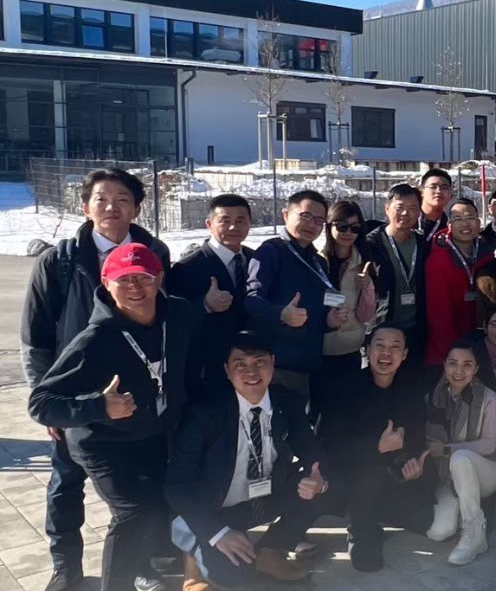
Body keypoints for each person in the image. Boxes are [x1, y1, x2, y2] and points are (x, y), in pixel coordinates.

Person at [20, 168, 172, 591]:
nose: (111, 208)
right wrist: (50, 399)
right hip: (77, 390)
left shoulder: (155, 252)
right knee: (66, 485)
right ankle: (65, 566)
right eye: (101, 199)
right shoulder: (61, 260)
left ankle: (140, 564)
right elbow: (36, 337)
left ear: (137, 208)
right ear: (85, 207)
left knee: (141, 489)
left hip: (138, 392)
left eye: (122, 200)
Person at [29, 244, 193, 591]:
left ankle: (143, 570)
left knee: (160, 505)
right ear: (106, 283)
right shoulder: (94, 341)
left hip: (153, 433)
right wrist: (99, 407)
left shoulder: (179, 315)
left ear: (159, 279)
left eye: (143, 278)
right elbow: (41, 403)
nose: (135, 287)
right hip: (102, 442)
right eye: (124, 280)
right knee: (133, 511)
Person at [164, 332, 326, 588]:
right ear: (227, 371)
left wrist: (317, 477)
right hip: (215, 508)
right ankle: (194, 565)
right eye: (240, 364)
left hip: (262, 498)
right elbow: (177, 485)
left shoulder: (287, 402)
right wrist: (218, 533)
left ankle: (271, 551)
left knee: (329, 485)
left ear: (273, 363)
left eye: (260, 362)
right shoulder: (204, 415)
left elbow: (311, 449)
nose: (251, 371)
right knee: (233, 577)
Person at [316, 324, 437, 572]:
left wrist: (413, 464)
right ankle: (363, 534)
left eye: (395, 347)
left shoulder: (412, 390)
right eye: (379, 345)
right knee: (368, 473)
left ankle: (370, 515)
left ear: (404, 354)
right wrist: (375, 446)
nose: (386, 353)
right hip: (352, 472)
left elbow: (416, 439)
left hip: (393, 474)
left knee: (423, 519)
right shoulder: (343, 387)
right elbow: (330, 443)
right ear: (367, 349)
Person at [245, 190, 348, 398]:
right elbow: (251, 300)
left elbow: (314, 313)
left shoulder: (318, 261)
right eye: (306, 216)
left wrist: (329, 321)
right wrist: (281, 314)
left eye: (319, 221)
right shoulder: (270, 251)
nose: (312, 225)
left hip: (310, 362)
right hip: (279, 367)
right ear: (286, 215)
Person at [423, 340, 496, 566]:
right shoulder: (434, 397)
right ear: (444, 365)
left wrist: (446, 449)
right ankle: (465, 510)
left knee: (460, 458)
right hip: (448, 476)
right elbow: (428, 439)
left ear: (476, 368)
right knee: (438, 532)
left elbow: (488, 445)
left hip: (486, 470)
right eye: (453, 363)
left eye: (467, 364)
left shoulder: (488, 398)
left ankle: (473, 531)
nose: (459, 371)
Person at [169, 194, 254, 401]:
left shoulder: (255, 260)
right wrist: (205, 305)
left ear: (250, 224)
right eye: (225, 220)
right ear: (209, 224)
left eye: (240, 220)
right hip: (206, 370)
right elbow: (172, 320)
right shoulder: (187, 268)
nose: (233, 227)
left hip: (249, 367)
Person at [313, 201, 377, 412]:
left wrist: (367, 286)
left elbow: (366, 315)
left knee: (346, 410)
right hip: (319, 349)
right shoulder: (315, 260)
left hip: (349, 349)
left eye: (355, 228)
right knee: (319, 410)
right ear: (329, 226)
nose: (348, 233)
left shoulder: (364, 262)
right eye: (342, 226)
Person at [425, 198, 495, 372]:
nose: (465, 224)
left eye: (470, 218)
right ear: (449, 225)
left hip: (480, 343)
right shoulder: (439, 258)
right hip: (448, 352)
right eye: (458, 219)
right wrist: (453, 356)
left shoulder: (485, 252)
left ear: (479, 222)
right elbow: (439, 315)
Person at [364, 183, 426, 361]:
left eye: (413, 208)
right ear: (387, 209)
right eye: (400, 208)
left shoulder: (423, 244)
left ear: (419, 212)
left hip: (415, 330)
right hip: (381, 328)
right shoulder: (371, 245)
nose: (406, 213)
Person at [417, 168, 453, 238]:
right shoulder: (409, 220)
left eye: (444, 187)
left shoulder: (451, 227)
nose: (438, 191)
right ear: (422, 191)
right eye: (433, 187)